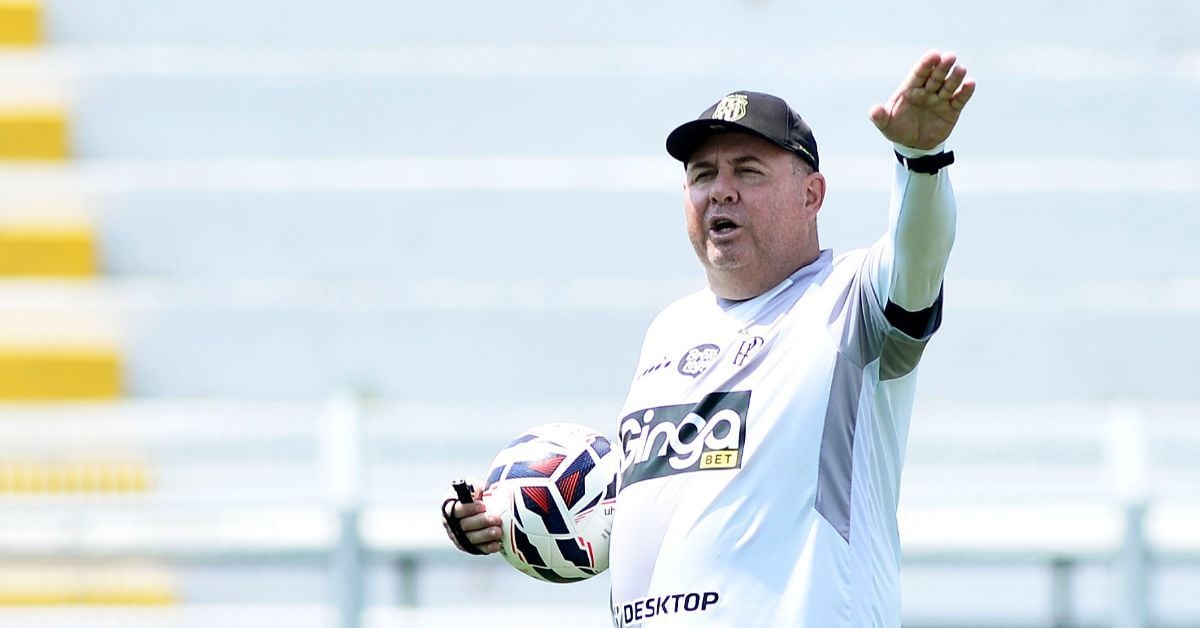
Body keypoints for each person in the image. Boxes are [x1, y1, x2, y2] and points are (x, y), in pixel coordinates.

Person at [443, 49, 975, 627]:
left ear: (812, 195)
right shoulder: (669, 332)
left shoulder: (851, 301)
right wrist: (507, 518)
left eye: (748, 170)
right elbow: (634, 518)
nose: (721, 191)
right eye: (702, 175)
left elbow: (921, 252)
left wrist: (921, 160)